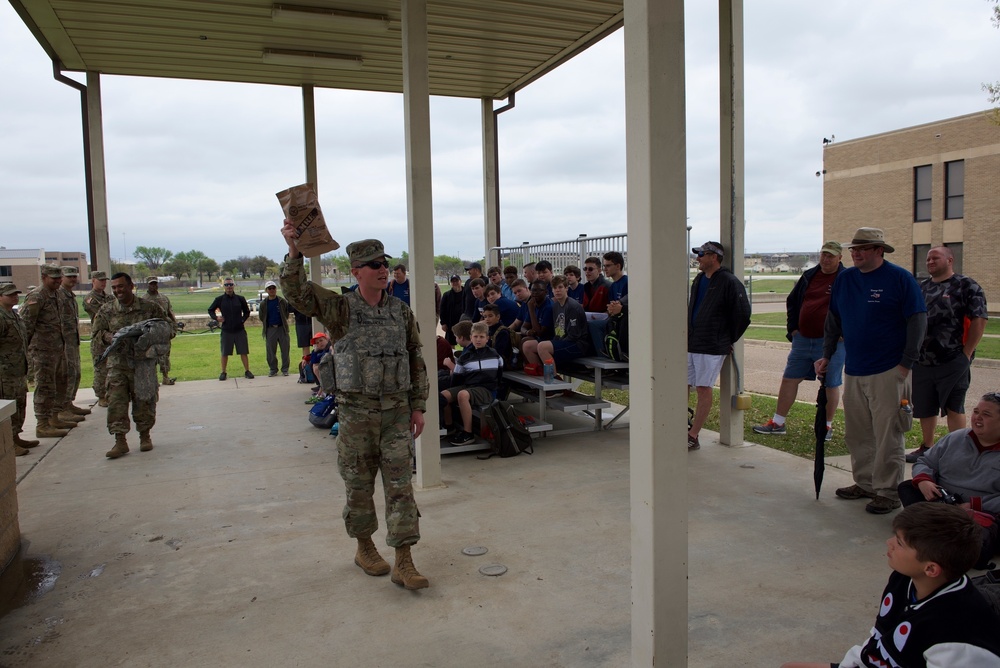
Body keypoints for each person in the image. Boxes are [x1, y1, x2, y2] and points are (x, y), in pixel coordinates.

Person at [279, 225, 430, 590]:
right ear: (356, 271)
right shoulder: (341, 309)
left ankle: (404, 561)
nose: (382, 269)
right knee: (359, 487)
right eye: (373, 264)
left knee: (400, 487)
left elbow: (414, 357)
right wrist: (294, 251)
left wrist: (418, 405)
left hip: (395, 413)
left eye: (384, 263)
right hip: (357, 414)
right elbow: (297, 294)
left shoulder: (400, 311)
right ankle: (364, 548)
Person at [780, 503, 1000, 668]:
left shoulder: (957, 633)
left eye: (900, 542)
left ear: (931, 569)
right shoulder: (904, 578)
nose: (889, 543)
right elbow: (881, 636)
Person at [816, 228, 927, 514]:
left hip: (890, 370)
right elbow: (834, 320)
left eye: (862, 248)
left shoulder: (900, 279)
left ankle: (888, 492)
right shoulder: (846, 279)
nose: (856, 253)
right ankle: (865, 483)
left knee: (888, 434)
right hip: (854, 369)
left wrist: (906, 363)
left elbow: (917, 320)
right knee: (858, 432)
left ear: (879, 250)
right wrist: (826, 355)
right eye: (854, 248)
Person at [753, 241, 846, 440]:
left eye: (831, 255)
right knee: (789, 378)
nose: (826, 259)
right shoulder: (809, 275)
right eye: (823, 254)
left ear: (840, 258)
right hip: (803, 339)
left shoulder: (846, 279)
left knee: (830, 383)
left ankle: (826, 427)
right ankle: (778, 423)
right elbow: (792, 301)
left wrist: (844, 333)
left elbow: (855, 307)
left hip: (832, 342)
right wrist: (793, 329)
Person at [898, 392, 1000, 570]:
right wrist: (924, 481)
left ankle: (933, 531)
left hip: (982, 512)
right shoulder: (956, 438)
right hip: (942, 501)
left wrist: (973, 505)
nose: (977, 418)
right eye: (976, 412)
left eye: (986, 414)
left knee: (978, 550)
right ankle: (942, 531)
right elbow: (926, 462)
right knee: (908, 488)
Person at [906, 246, 988, 463]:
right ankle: (927, 447)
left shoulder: (966, 285)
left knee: (953, 404)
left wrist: (967, 352)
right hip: (923, 360)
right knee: (925, 406)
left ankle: (956, 452)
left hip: (953, 359)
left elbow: (980, 319)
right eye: (928, 258)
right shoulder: (922, 288)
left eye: (936, 258)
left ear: (950, 260)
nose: (930, 261)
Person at [92, 272, 170, 459]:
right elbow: (96, 335)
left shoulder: (149, 308)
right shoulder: (106, 310)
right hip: (117, 364)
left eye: (121, 286)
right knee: (116, 402)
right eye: (115, 287)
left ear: (131, 286)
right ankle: (120, 441)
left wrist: (149, 336)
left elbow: (167, 329)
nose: (118, 290)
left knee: (144, 401)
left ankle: (145, 436)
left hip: (143, 363)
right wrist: (109, 337)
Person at [687, 242, 751, 451]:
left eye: (702, 255)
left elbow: (742, 314)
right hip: (692, 343)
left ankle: (693, 435)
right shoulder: (698, 280)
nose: (698, 259)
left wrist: (727, 338)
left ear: (714, 257)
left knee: (703, 388)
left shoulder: (729, 281)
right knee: (684, 385)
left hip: (712, 346)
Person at [22, 265, 75, 437]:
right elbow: (27, 325)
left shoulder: (57, 294)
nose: (58, 281)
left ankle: (54, 417)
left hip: (58, 348)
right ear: (44, 277)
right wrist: (27, 352)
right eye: (54, 279)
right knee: (45, 386)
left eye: (59, 278)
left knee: (60, 382)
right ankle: (42, 424)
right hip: (42, 351)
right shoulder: (37, 296)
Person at [441, 321, 502, 446]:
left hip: (486, 390)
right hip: (469, 387)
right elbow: (457, 378)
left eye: (481, 337)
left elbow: (499, 375)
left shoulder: (495, 355)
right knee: (443, 395)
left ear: (487, 338)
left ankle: (468, 433)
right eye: (475, 337)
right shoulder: (465, 357)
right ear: (471, 337)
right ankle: (449, 426)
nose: (478, 340)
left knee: (463, 395)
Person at [521, 275, 590, 376]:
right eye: (555, 288)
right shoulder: (556, 305)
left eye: (560, 287)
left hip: (577, 344)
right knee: (528, 346)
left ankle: (553, 382)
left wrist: (555, 345)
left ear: (566, 288)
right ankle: (540, 376)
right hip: (562, 340)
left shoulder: (572, 306)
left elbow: (574, 335)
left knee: (543, 347)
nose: (557, 290)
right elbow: (558, 330)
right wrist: (555, 342)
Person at [0, 283, 39, 455]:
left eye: (16, 294)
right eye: (9, 295)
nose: (14, 297)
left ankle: (16, 437)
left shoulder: (13, 314)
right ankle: (8, 444)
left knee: (19, 405)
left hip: (17, 369)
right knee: (9, 409)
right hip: (4, 373)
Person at [58, 266, 90, 421]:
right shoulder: (58, 295)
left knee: (75, 373)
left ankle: (68, 402)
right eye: (69, 276)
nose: (72, 279)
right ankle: (62, 408)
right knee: (66, 374)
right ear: (61, 277)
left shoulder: (70, 295)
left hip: (72, 340)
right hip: (62, 342)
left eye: (74, 276)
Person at [208, 278, 254, 381]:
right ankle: (223, 372)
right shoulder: (219, 299)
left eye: (231, 285)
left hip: (239, 330)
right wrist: (216, 318)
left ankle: (247, 371)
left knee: (243, 351)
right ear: (224, 287)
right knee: (225, 352)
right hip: (226, 330)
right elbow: (210, 310)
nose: (229, 287)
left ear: (234, 286)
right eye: (227, 285)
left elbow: (247, 311)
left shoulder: (240, 299)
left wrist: (242, 320)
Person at [83, 271, 114, 406]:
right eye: (100, 280)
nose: (103, 283)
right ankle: (101, 395)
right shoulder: (90, 299)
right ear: (93, 281)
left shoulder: (109, 297)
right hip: (100, 338)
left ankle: (112, 393)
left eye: (105, 280)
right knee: (101, 368)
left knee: (113, 366)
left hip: (112, 336)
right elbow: (103, 314)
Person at [144, 277, 177, 385]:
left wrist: (174, 328)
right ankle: (153, 379)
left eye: (155, 284)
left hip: (164, 332)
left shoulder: (164, 298)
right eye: (151, 284)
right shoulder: (143, 300)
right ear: (148, 285)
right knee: (151, 356)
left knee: (165, 356)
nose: (154, 286)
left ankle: (165, 377)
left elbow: (170, 314)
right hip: (150, 332)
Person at [258, 280, 291, 377]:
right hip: (270, 329)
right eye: (270, 288)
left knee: (285, 350)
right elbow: (261, 316)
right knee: (271, 351)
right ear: (267, 290)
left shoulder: (282, 301)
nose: (272, 290)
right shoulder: (264, 303)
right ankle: (273, 369)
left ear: (276, 289)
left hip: (282, 328)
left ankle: (285, 369)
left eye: (273, 288)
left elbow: (286, 313)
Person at [439, 274, 464, 345]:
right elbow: (442, 309)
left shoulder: (466, 293)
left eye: (457, 281)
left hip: (463, 321)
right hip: (451, 323)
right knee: (450, 343)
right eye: (453, 281)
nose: (455, 283)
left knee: (466, 340)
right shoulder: (446, 295)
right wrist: (443, 323)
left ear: (460, 281)